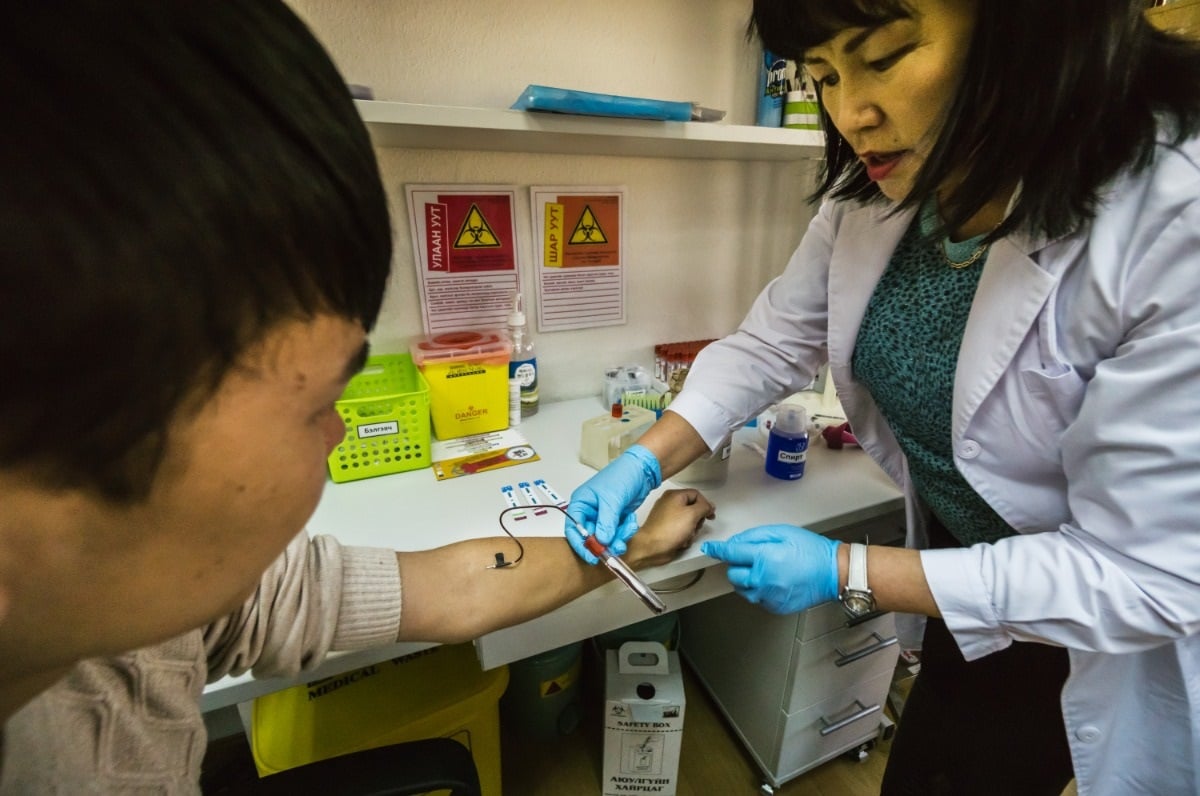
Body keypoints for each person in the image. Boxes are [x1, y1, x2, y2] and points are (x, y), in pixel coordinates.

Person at [0, 2, 716, 792]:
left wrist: (632, 549)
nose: (339, 434)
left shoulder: (160, 602)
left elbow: (452, 585)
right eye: (314, 408)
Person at [566, 1, 1200, 794]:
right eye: (824, 75)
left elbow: (1142, 573)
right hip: (961, 568)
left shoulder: (1173, 216)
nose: (850, 114)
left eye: (885, 56)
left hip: (1100, 622)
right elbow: (772, 343)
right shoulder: (883, 187)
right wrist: (643, 460)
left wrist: (847, 568)